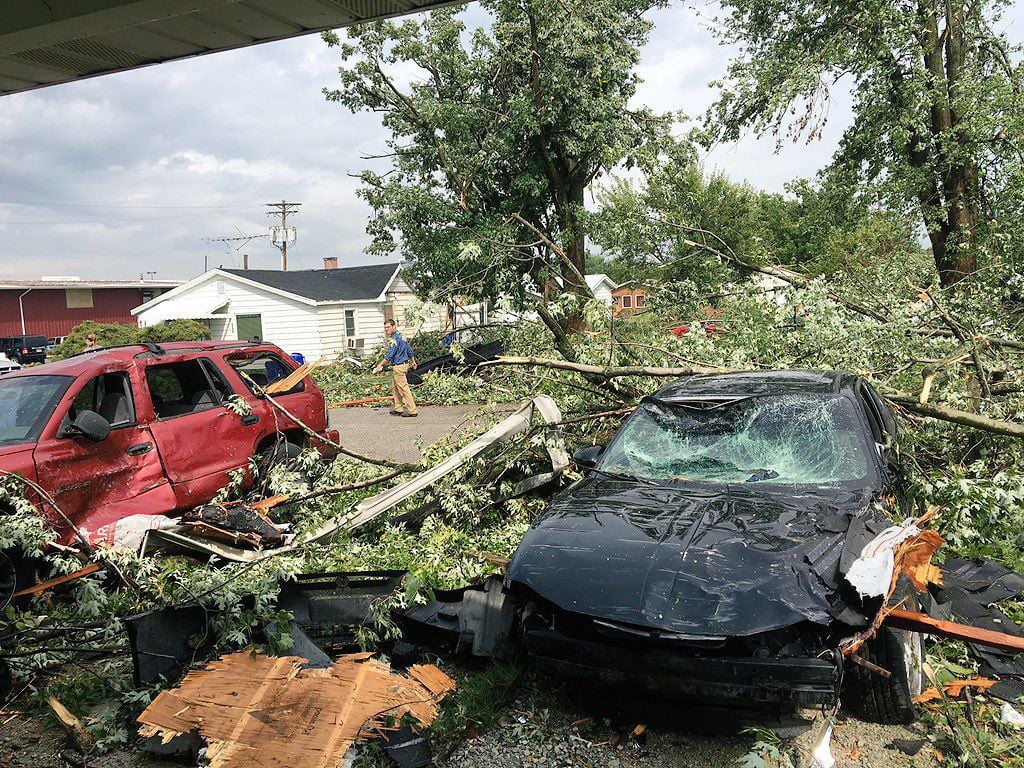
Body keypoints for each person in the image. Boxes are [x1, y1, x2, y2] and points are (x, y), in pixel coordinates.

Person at [372, 320, 418, 417]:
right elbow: (409, 349)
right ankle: (398, 408)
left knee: (404, 389)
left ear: (394, 326)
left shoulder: (395, 339)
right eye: (385, 328)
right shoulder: (402, 336)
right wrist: (413, 361)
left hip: (399, 366)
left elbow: (390, 355)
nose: (386, 329)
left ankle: (412, 410)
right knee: (396, 387)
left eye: (388, 327)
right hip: (404, 365)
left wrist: (380, 365)